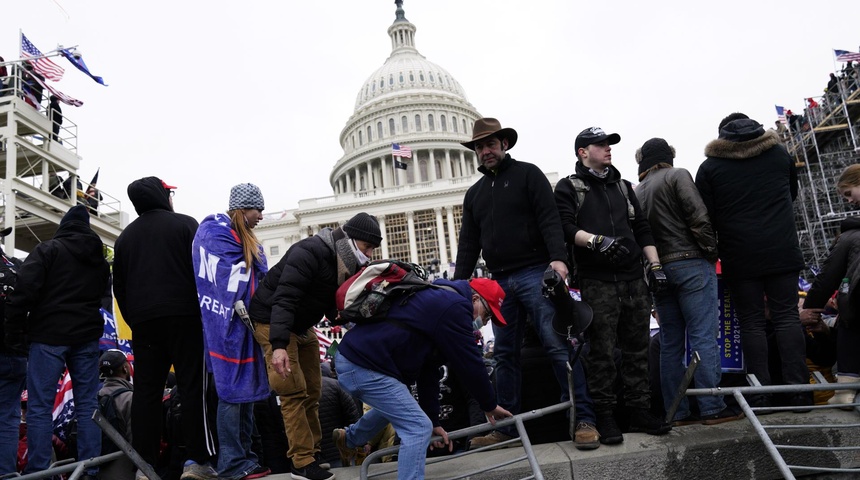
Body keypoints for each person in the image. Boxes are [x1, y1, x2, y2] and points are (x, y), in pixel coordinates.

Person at [454, 118, 599, 451]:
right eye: (479, 146)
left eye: (490, 144)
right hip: (501, 281)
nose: (485, 151)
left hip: (535, 271)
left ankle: (583, 418)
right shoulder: (475, 194)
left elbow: (549, 218)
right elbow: (468, 243)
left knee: (557, 344)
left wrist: (558, 260)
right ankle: (506, 428)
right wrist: (459, 286)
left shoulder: (528, 175)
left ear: (504, 144)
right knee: (505, 355)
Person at [554, 127, 671, 445]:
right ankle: (605, 415)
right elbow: (564, 226)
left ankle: (639, 410)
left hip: (634, 279)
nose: (608, 149)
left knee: (637, 350)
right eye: (600, 145)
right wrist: (597, 242)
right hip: (597, 281)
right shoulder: (569, 187)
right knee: (602, 353)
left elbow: (642, 227)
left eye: (609, 144)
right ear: (582, 152)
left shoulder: (622, 187)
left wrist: (655, 266)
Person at [332, 277, 512, 480]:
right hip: (362, 365)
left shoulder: (441, 303)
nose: (484, 323)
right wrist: (489, 404)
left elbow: (430, 370)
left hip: (359, 361)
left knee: (401, 408)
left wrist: (434, 419)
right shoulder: (455, 306)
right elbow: (471, 362)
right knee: (417, 428)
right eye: (487, 315)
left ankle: (349, 439)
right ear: (476, 299)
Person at [248, 212, 382, 480]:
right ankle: (301, 461)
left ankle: (313, 452)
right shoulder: (308, 252)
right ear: (353, 240)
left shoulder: (344, 261)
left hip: (301, 324)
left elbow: (330, 301)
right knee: (292, 391)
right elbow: (284, 298)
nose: (368, 255)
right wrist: (279, 345)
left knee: (313, 390)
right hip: (272, 321)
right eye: (367, 248)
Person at [695, 113, 809, 409]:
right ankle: (799, 392)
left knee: (751, 322)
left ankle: (760, 394)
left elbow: (707, 214)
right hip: (782, 249)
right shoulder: (779, 155)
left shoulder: (710, 167)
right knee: (787, 317)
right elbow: (791, 193)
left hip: (740, 255)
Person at [113, 177, 217, 480]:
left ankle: (144, 467)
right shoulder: (186, 225)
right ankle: (198, 461)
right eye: (169, 192)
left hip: (144, 323)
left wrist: (137, 320)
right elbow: (204, 273)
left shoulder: (125, 238)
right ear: (162, 195)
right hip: (184, 316)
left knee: (146, 392)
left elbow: (119, 287)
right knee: (191, 386)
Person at [634, 138, 742, 425]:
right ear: (669, 156)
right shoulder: (677, 175)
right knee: (702, 336)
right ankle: (712, 407)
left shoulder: (638, 191)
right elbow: (699, 216)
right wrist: (710, 252)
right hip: (691, 261)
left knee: (670, 342)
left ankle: (677, 412)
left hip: (658, 271)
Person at [4, 205, 110, 480]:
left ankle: (39, 471)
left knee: (40, 406)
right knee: (88, 405)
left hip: (48, 336)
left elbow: (24, 290)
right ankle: (89, 467)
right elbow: (102, 293)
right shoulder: (98, 258)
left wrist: (15, 329)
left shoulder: (48, 249)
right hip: (86, 338)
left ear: (64, 225)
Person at [192, 183, 271, 480]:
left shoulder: (244, 239)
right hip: (225, 326)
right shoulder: (214, 234)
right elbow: (223, 281)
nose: (261, 216)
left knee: (247, 395)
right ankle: (231, 463)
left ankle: (246, 458)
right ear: (241, 209)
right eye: (257, 209)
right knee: (231, 395)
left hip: (246, 327)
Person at [802, 164, 860, 407]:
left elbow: (827, 279)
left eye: (849, 193)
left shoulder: (850, 236)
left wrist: (811, 308)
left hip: (857, 305)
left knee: (848, 326)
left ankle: (845, 392)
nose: (849, 201)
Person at [0, 227, 23, 476]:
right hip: (14, 353)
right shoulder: (16, 268)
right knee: (7, 419)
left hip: (14, 353)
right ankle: (5, 474)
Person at [97, 349, 135, 480]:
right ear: (125, 368)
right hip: (124, 471)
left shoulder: (93, 399)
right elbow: (135, 442)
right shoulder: (131, 398)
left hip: (95, 468)